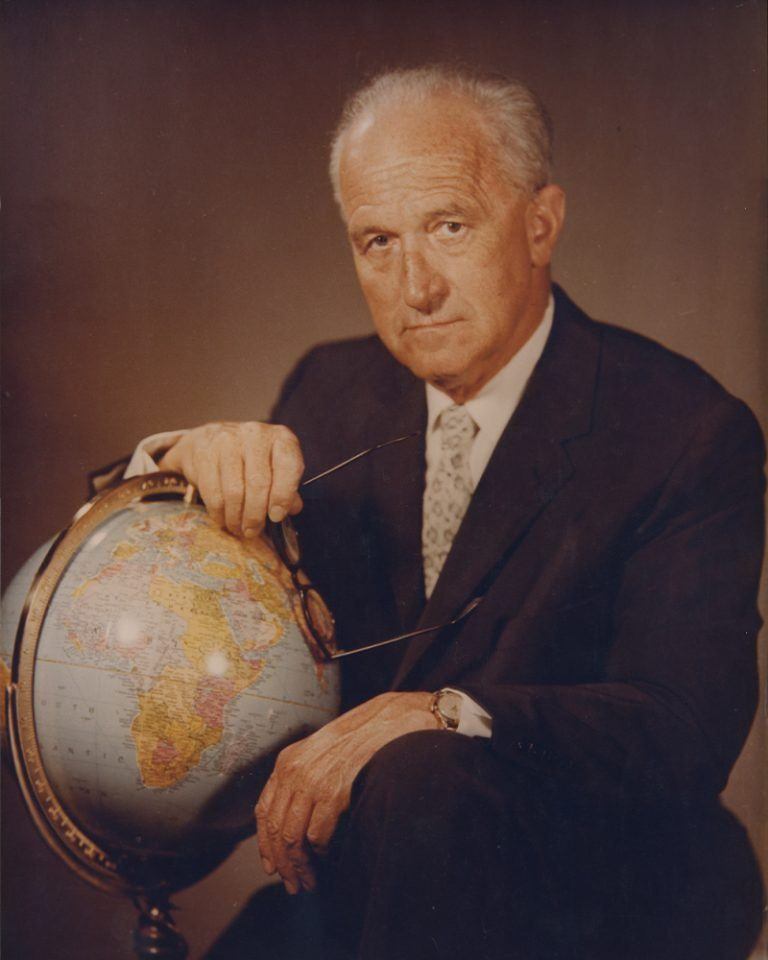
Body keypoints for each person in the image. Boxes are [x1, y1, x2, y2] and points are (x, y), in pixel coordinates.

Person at [115, 66, 765, 959]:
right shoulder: (330, 389)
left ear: (541, 225)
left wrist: (444, 711)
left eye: (449, 227)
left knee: (426, 780)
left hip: (601, 892)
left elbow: (685, 728)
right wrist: (179, 466)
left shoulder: (683, 428)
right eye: (377, 241)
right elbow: (196, 615)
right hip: (373, 888)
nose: (414, 286)